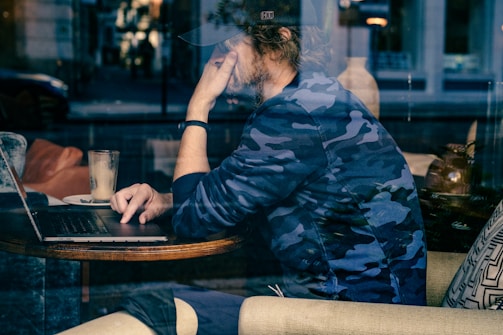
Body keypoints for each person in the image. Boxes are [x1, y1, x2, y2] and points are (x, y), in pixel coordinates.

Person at [110, 0, 427, 333]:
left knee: (156, 307)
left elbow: (193, 221)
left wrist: (199, 105)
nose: (217, 61)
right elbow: (234, 196)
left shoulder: (291, 116)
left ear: (277, 40)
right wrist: (167, 200)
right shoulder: (318, 98)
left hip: (349, 317)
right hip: (342, 301)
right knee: (168, 305)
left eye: (230, 45)